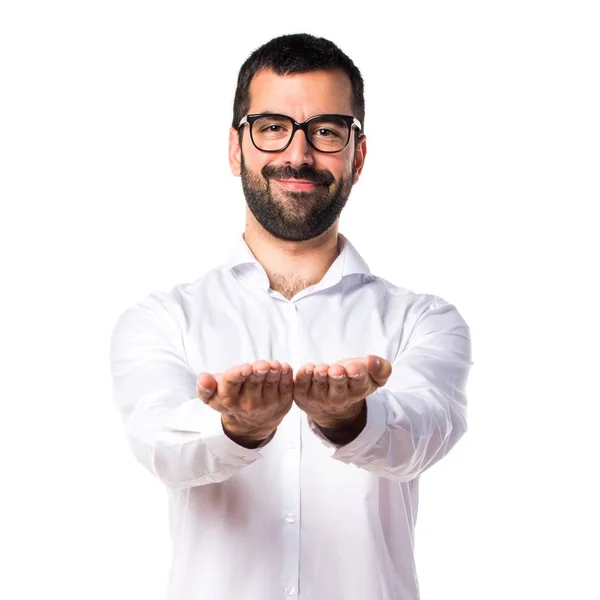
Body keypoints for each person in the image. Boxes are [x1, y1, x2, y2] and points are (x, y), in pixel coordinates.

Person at [110, 33, 473, 600]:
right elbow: (160, 445)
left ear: (358, 155)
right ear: (236, 149)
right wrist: (239, 429)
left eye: (326, 131)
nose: (298, 154)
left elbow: (425, 434)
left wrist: (349, 419)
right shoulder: (162, 319)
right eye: (273, 127)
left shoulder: (424, 320)